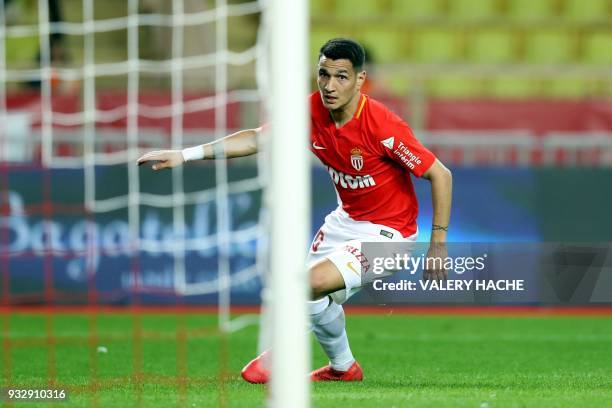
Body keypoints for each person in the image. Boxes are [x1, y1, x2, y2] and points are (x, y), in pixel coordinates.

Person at [137, 38, 452, 383]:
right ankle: (343, 367)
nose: (330, 86)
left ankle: (282, 357)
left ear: (360, 80)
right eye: (323, 75)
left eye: (342, 77)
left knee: (310, 283)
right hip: (344, 223)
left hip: (390, 236)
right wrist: (185, 155)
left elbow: (440, 174)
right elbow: (258, 139)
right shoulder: (310, 110)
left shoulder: (383, 126)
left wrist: (437, 243)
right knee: (307, 294)